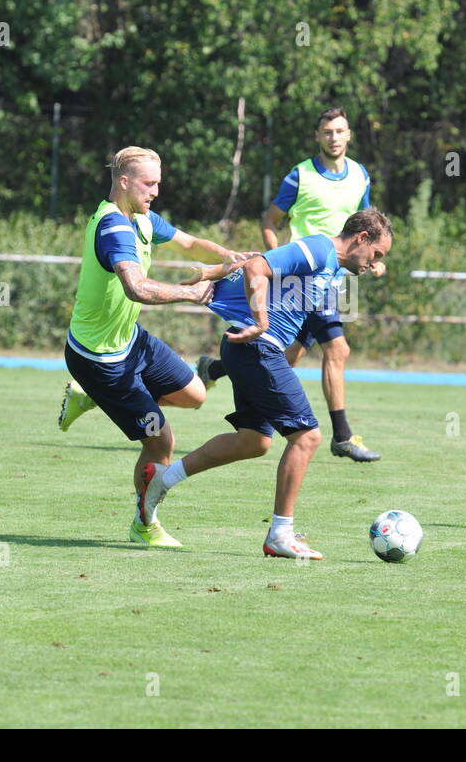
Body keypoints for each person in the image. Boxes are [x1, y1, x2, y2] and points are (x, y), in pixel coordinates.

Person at [136, 209, 393, 559]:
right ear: (362, 238)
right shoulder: (320, 249)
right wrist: (259, 321)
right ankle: (280, 534)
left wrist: (213, 272)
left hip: (251, 349)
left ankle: (162, 481)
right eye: (376, 255)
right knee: (307, 436)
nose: (374, 264)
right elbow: (259, 268)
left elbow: (255, 261)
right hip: (258, 346)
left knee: (253, 441)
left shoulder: (332, 268)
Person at [56, 146, 251, 548]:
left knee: (196, 394)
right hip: (100, 361)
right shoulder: (115, 229)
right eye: (149, 183)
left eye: (159, 183)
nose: (156, 191)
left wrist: (231, 256)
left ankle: (88, 398)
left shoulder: (142, 218)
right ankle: (144, 523)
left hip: (130, 342)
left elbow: (189, 242)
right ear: (124, 182)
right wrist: (191, 293)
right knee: (161, 442)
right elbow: (137, 287)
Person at [196, 106, 384, 462]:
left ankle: (217, 369)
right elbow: (270, 219)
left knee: (292, 353)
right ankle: (342, 436)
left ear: (349, 135)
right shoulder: (300, 175)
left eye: (340, 131)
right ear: (318, 136)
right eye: (327, 131)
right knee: (337, 349)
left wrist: (374, 258)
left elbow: (367, 225)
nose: (334, 137)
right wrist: (278, 262)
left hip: (336, 280)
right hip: (305, 277)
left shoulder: (360, 175)